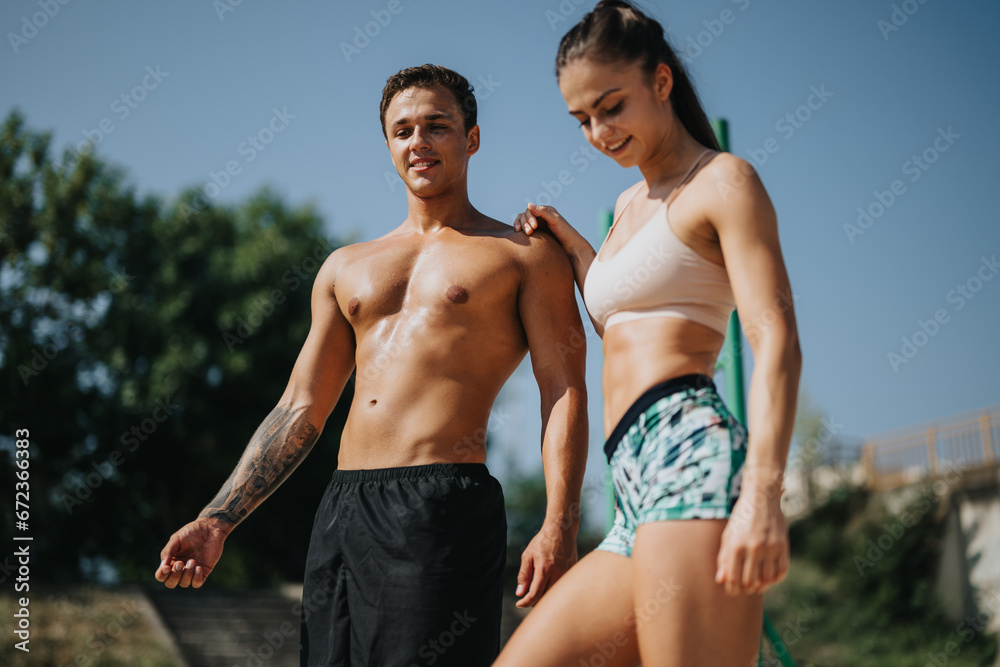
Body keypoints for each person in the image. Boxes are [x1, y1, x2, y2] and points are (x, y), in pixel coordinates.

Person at [153, 64, 588, 667]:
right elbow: (301, 406)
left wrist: (559, 523)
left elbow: (563, 388)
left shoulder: (523, 254)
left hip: (442, 503)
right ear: (388, 146)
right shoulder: (345, 266)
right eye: (403, 131)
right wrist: (217, 519)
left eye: (437, 126)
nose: (419, 142)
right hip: (343, 506)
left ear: (472, 138)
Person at [496, 2, 802, 665]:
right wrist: (573, 244)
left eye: (612, 107)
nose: (599, 132)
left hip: (690, 455)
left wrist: (762, 495)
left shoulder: (723, 182)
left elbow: (777, 341)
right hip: (630, 484)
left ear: (661, 81)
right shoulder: (629, 204)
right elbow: (627, 315)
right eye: (582, 119)